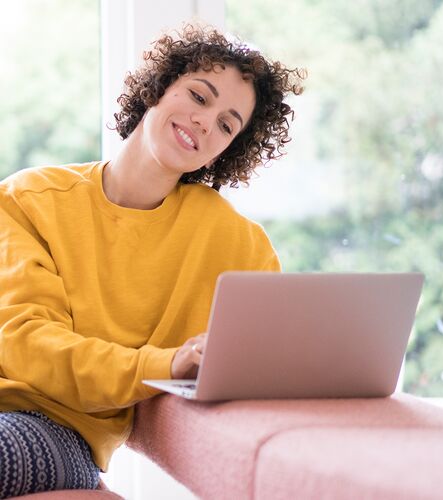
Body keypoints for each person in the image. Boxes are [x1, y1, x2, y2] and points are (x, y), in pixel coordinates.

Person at [0, 24, 305, 497]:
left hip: (55, 430)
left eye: (227, 125)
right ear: (158, 88)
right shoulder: (27, 198)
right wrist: (164, 363)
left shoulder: (239, 245)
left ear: (226, 152)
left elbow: (268, 357)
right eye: (199, 96)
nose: (206, 122)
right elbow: (26, 344)